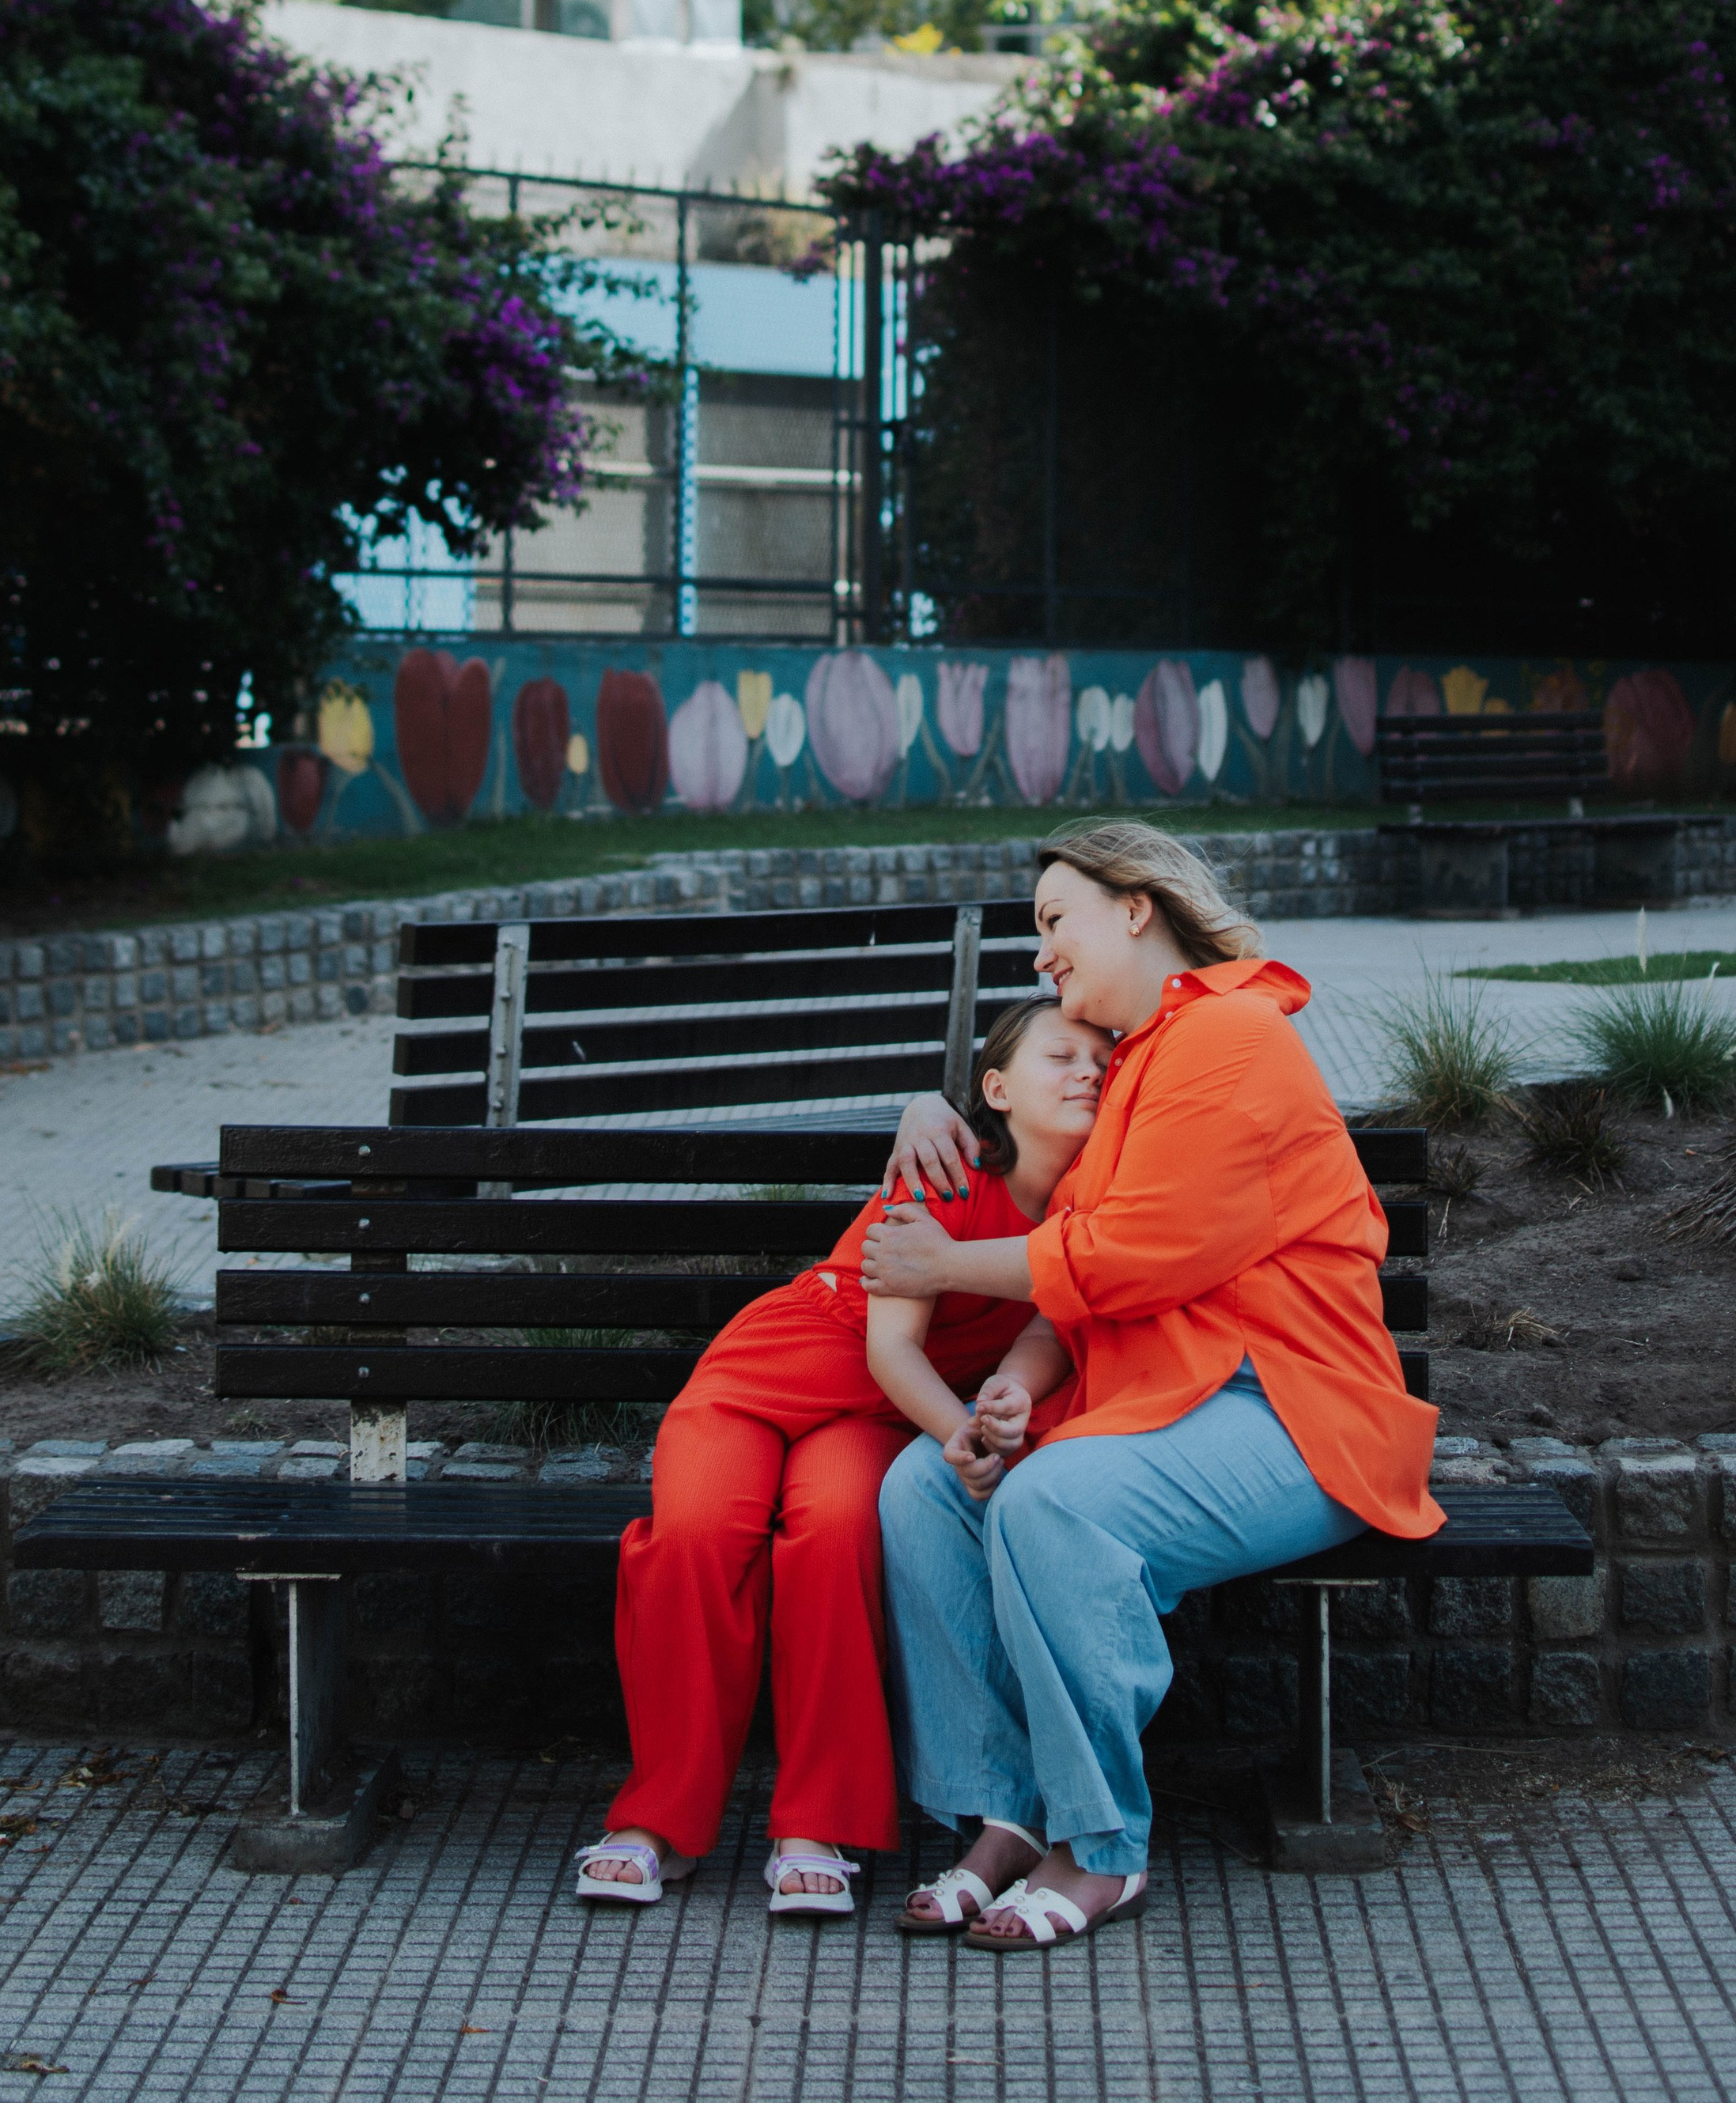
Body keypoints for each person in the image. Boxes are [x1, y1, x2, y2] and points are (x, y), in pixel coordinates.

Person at [863, 818, 1443, 1954]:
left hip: (1293, 1414)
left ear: (1135, 909)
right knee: (923, 1488)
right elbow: (1075, 1280)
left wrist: (941, 1266)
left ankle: (1103, 1847)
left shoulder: (1231, 1038)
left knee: (1052, 1504)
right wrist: (1013, 1387)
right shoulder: (1137, 1061)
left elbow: (1136, 1255)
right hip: (1168, 1407)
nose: (1042, 953)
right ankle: (1004, 1816)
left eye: (1055, 921)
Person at [573, 994, 1114, 1920]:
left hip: (876, 1416)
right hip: (782, 1370)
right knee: (697, 1534)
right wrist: (957, 1432)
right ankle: (656, 1821)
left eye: (1100, 1062)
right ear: (996, 1089)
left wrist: (995, 1409)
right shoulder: (944, 1168)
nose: (1087, 1074)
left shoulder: (1092, 1209)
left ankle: (814, 1825)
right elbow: (888, 1344)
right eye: (1061, 1057)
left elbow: (1048, 1330)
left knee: (835, 1536)